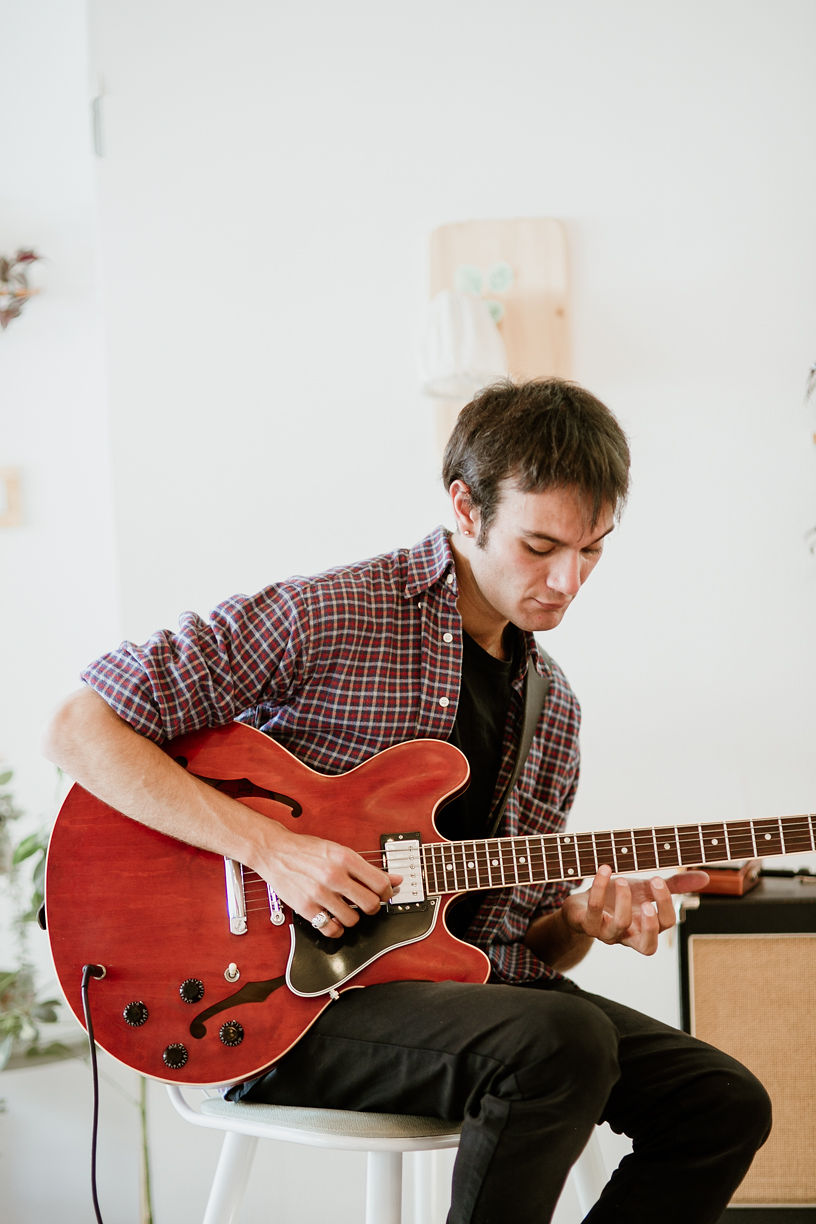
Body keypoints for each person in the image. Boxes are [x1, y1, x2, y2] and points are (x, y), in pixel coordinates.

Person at [44, 378, 770, 1223]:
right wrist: (271, 849)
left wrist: (580, 923)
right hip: (272, 1001)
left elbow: (506, 946)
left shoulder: (554, 709)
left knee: (722, 1102)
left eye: (593, 551)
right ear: (465, 508)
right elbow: (77, 728)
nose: (567, 581)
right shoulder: (333, 614)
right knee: (560, 1043)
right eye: (540, 546)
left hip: (446, 999)